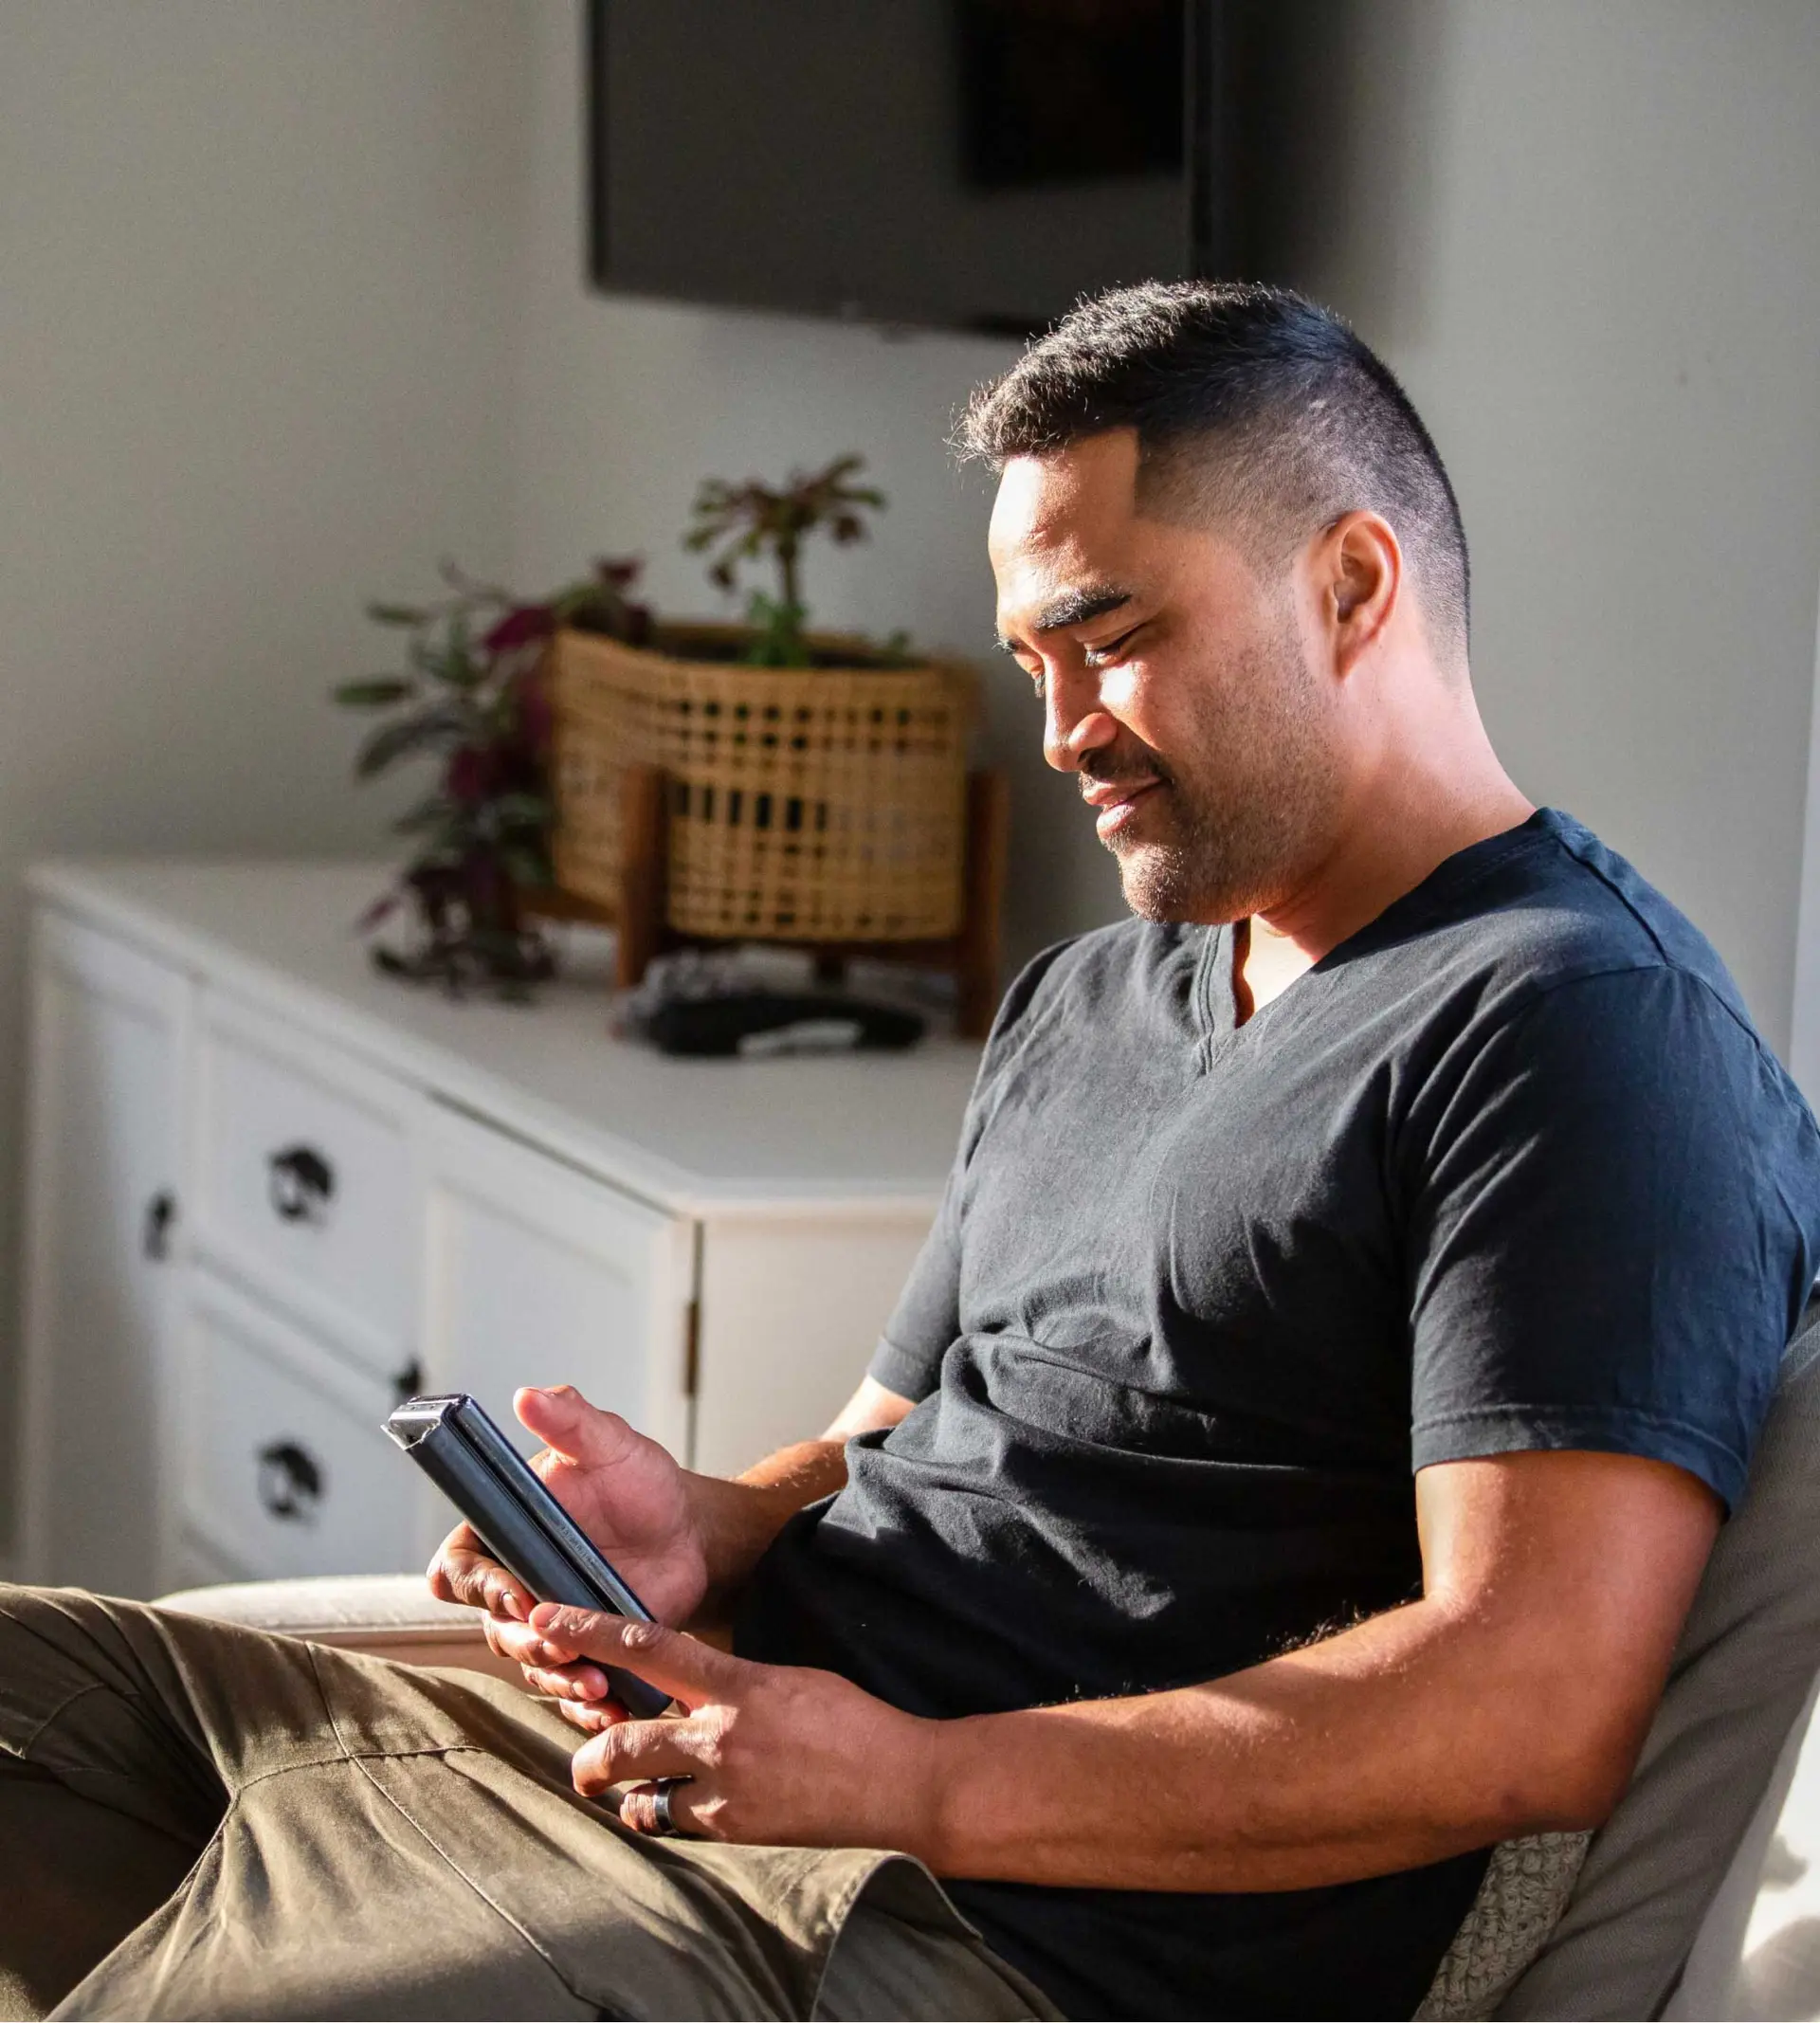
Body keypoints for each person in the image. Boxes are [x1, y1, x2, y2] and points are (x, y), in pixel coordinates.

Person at [7, 281, 1819, 2022]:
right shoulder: (1086, 997)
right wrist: (708, 1525)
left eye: (1113, 639)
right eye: (1035, 662)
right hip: (702, 1772)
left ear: (1350, 585)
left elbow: (1524, 1702)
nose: (1061, 731)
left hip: (934, 1923)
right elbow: (891, 1443)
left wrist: (908, 1780)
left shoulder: (1577, 1028)